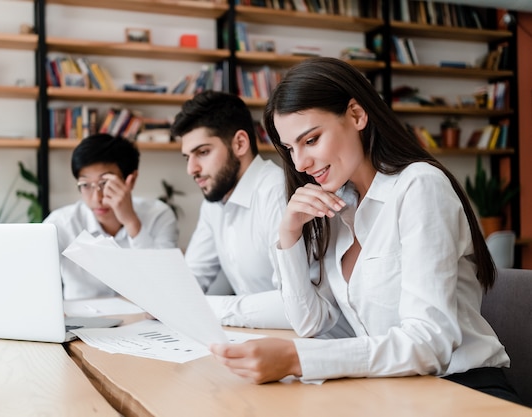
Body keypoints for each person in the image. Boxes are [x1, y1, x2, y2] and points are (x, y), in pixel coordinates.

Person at [209, 57, 521, 404]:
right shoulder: (337, 205)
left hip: (464, 390)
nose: (299, 163)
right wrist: (289, 235)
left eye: (311, 140)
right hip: (392, 391)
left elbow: (430, 342)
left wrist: (298, 360)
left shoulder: (419, 187)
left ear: (357, 115)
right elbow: (310, 321)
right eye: (290, 148)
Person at [172, 90, 335, 330]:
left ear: (240, 143)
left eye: (203, 152)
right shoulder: (213, 203)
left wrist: (201, 308)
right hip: (256, 339)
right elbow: (190, 279)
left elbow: (295, 306)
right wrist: (165, 300)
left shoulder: (278, 193)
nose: (191, 169)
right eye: (187, 157)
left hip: (311, 342)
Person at [44, 133, 178, 300]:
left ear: (131, 179)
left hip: (143, 319)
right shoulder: (60, 224)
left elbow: (167, 286)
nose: (97, 198)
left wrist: (131, 222)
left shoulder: (159, 216)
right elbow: (34, 279)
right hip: (82, 320)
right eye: (85, 185)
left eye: (105, 183)